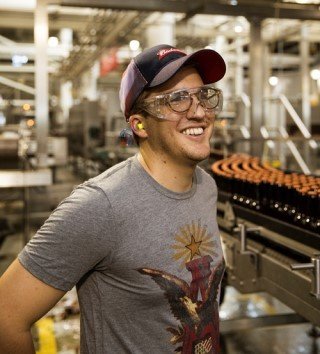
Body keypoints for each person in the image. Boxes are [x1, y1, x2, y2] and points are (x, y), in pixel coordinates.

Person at [0, 43, 226, 354]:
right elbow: (6, 317)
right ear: (139, 125)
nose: (199, 111)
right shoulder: (100, 206)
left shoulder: (207, 187)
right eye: (177, 100)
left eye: (203, 96)